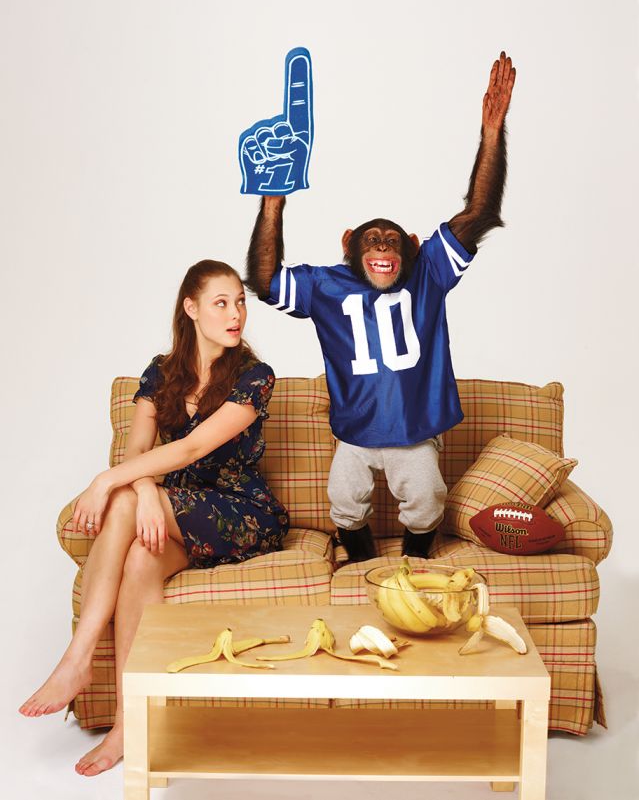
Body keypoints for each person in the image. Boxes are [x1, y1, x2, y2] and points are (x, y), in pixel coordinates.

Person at [18, 259, 289, 776]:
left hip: (242, 512)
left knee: (119, 495)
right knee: (141, 559)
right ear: (191, 308)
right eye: (221, 303)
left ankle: (77, 658)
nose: (236, 314)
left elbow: (191, 448)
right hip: (173, 509)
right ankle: (126, 725)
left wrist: (111, 483)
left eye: (239, 302)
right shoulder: (159, 373)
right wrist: (141, 485)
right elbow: (137, 451)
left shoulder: (254, 377)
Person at [246, 52, 516, 561]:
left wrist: (492, 132)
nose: (383, 249)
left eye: (392, 241)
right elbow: (264, 279)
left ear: (410, 246)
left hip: (414, 433)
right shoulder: (328, 285)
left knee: (425, 494)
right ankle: (362, 561)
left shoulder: (428, 273)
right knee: (344, 499)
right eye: (371, 241)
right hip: (355, 432)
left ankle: (416, 561)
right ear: (350, 245)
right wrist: (272, 204)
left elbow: (479, 211)